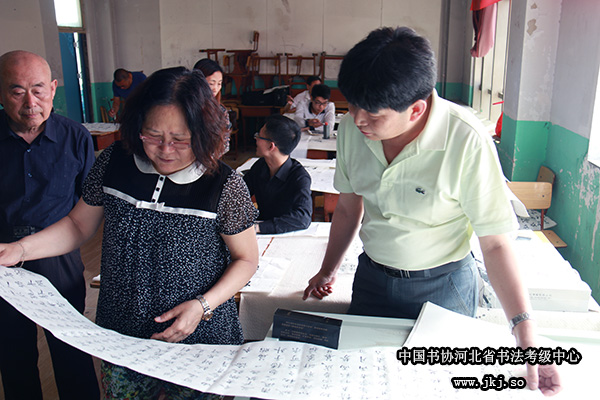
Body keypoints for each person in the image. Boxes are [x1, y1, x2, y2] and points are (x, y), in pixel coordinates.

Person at [302, 27, 561, 396]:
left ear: (416, 109)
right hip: (373, 279)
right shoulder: (353, 130)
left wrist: (523, 328)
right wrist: (328, 270)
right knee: (363, 382)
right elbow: (347, 207)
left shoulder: (466, 139)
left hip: (443, 287)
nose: (357, 120)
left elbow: (495, 243)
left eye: (372, 113)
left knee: (435, 387)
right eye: (353, 105)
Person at [0, 67, 259, 399]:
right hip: (123, 336)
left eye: (180, 139)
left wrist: (201, 306)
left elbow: (246, 259)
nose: (166, 149)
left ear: (202, 133)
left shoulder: (222, 184)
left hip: (200, 338)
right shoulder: (114, 162)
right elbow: (78, 225)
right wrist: (20, 250)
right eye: (152, 135)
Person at [0, 50, 99, 399]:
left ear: (54, 89)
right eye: (17, 91)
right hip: (2, 263)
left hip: (59, 259)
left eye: (39, 89)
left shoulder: (75, 137)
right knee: (13, 353)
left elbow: (89, 205)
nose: (31, 103)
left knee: (71, 348)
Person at [243, 114, 312, 234]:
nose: (256, 139)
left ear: (271, 146)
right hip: (260, 233)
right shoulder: (260, 166)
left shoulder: (299, 177)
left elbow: (303, 218)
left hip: (286, 235)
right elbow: (239, 193)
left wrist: (258, 228)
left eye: (259, 136)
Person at [193, 58, 233, 151]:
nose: (215, 88)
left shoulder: (221, 110)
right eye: (211, 83)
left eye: (219, 84)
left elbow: (225, 144)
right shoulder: (187, 108)